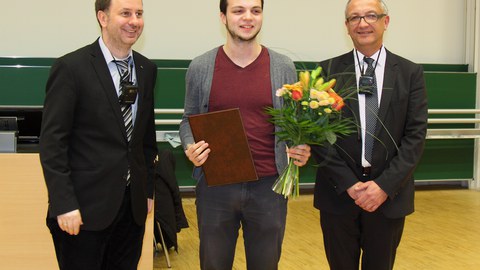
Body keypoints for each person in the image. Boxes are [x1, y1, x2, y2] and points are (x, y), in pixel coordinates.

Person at [179, 0, 311, 269]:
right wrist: (189, 145)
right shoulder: (201, 66)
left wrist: (301, 146)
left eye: (256, 10)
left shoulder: (283, 66)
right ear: (223, 17)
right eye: (238, 11)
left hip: (269, 187)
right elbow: (187, 121)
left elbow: (294, 121)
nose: (247, 17)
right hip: (216, 186)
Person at [39, 0, 158, 269]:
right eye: (125, 13)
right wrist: (63, 203)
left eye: (139, 14)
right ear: (102, 18)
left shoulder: (146, 69)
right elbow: (52, 144)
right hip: (83, 210)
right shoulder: (71, 68)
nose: (135, 21)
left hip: (132, 210)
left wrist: (148, 190)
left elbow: (146, 140)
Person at [312, 0, 428, 269]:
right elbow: (317, 135)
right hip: (338, 194)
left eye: (371, 16)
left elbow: (415, 136)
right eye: (355, 18)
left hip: (388, 197)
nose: (362, 23)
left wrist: (384, 186)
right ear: (346, 27)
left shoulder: (410, 73)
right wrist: (350, 184)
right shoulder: (325, 71)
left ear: (385, 22)